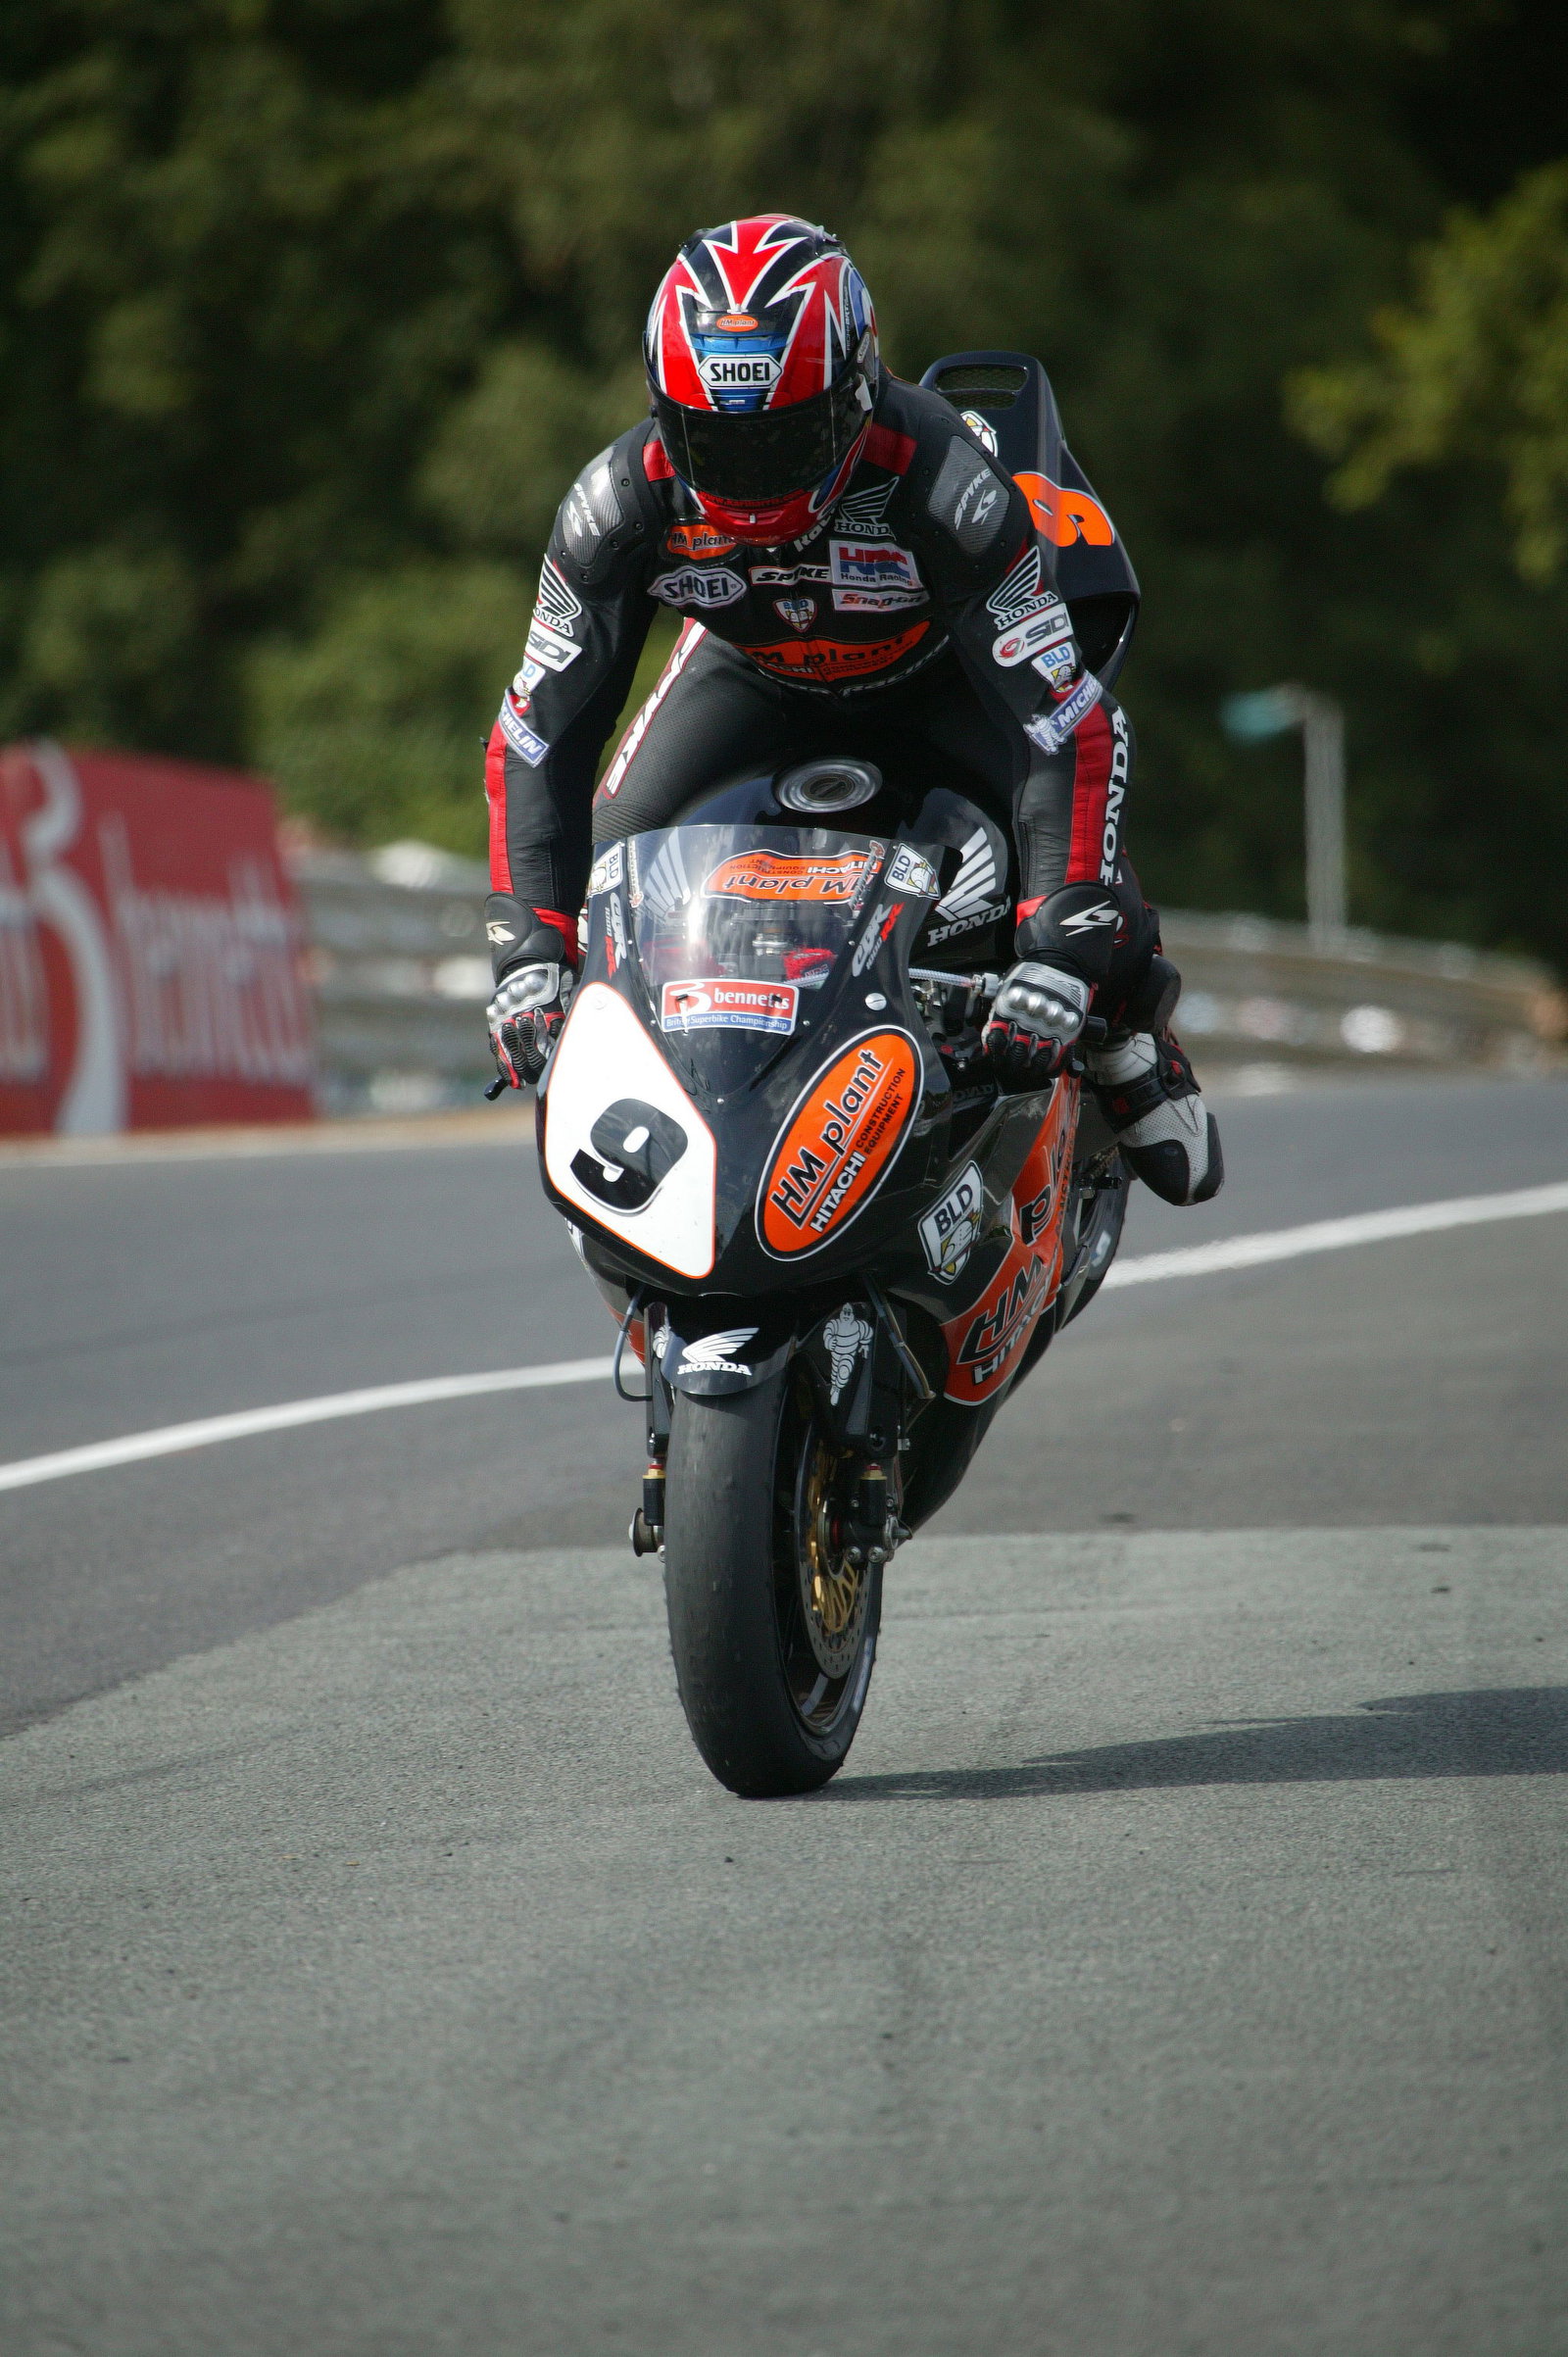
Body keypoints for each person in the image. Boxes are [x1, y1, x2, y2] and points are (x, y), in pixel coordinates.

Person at [484, 214, 1221, 1207]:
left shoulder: (945, 480)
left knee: (1079, 884)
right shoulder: (614, 503)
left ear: (854, 390)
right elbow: (537, 732)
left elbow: (1067, 725)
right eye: (714, 442)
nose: (747, 484)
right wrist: (530, 947)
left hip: (946, 676)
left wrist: (1059, 957)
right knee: (610, 861)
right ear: (664, 413)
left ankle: (1137, 1029)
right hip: (752, 674)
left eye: (782, 440)